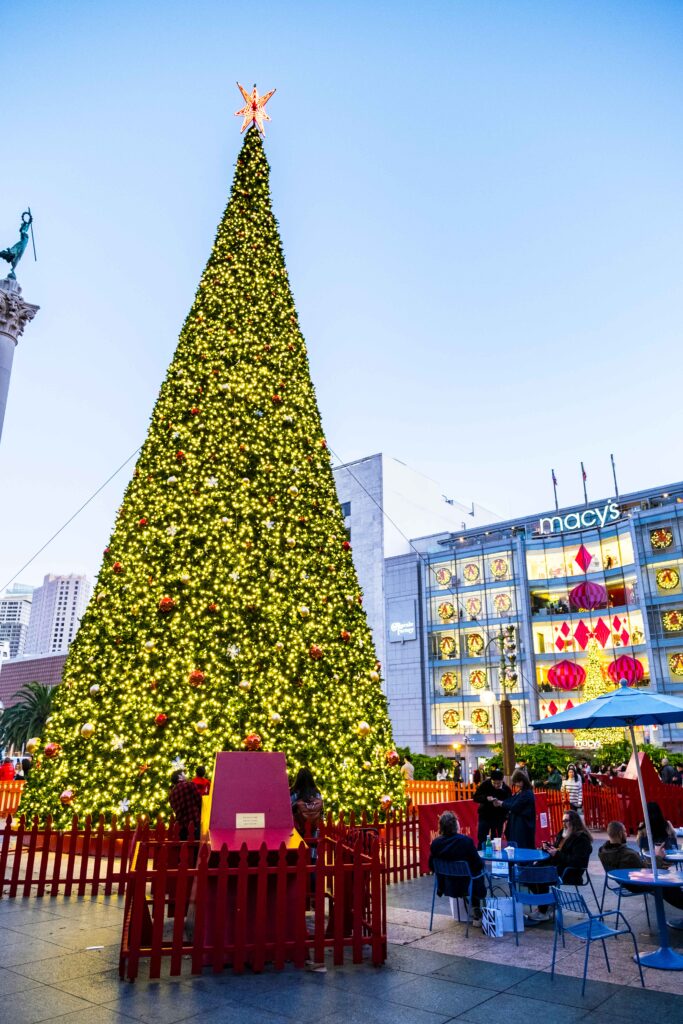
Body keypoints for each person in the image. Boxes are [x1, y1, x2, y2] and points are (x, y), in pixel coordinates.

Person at [429, 810, 486, 923]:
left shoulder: (436, 843)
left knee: (472, 873)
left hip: (446, 884)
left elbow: (431, 865)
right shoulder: (466, 841)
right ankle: (476, 910)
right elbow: (477, 864)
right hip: (466, 884)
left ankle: (473, 910)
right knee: (478, 873)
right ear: (456, 825)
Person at [493, 769, 536, 849]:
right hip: (517, 825)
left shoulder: (527, 794)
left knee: (522, 848)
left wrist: (501, 803)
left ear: (521, 781)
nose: (515, 784)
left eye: (516, 782)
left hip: (523, 826)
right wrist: (501, 802)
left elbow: (515, 806)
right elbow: (511, 800)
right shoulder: (522, 792)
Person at [473, 769, 511, 847]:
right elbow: (475, 797)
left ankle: (496, 857)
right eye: (494, 783)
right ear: (491, 780)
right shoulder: (485, 785)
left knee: (496, 840)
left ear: (502, 781)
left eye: (498, 783)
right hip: (485, 815)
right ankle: (481, 856)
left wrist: (501, 804)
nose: (496, 785)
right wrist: (486, 798)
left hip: (498, 817)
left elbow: (509, 803)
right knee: (482, 838)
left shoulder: (506, 789)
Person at [290, 766, 324, 838]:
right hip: (314, 828)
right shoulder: (316, 793)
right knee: (313, 845)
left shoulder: (294, 793)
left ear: (298, 779)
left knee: (299, 847)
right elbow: (321, 812)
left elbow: (289, 810)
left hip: (298, 829)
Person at [169, 769, 202, 840]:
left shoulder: (172, 793)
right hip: (194, 822)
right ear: (180, 777)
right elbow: (199, 801)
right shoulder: (190, 785)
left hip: (181, 826)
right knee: (196, 847)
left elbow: (173, 807)